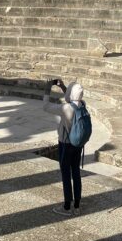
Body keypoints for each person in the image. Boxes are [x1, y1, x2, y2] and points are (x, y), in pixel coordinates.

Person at [43, 77, 84, 217]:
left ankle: (67, 207)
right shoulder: (83, 105)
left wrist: (47, 88)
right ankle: (77, 206)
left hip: (65, 145)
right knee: (76, 173)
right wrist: (63, 87)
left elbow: (46, 107)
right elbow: (72, 98)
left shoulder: (65, 108)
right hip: (78, 145)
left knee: (66, 175)